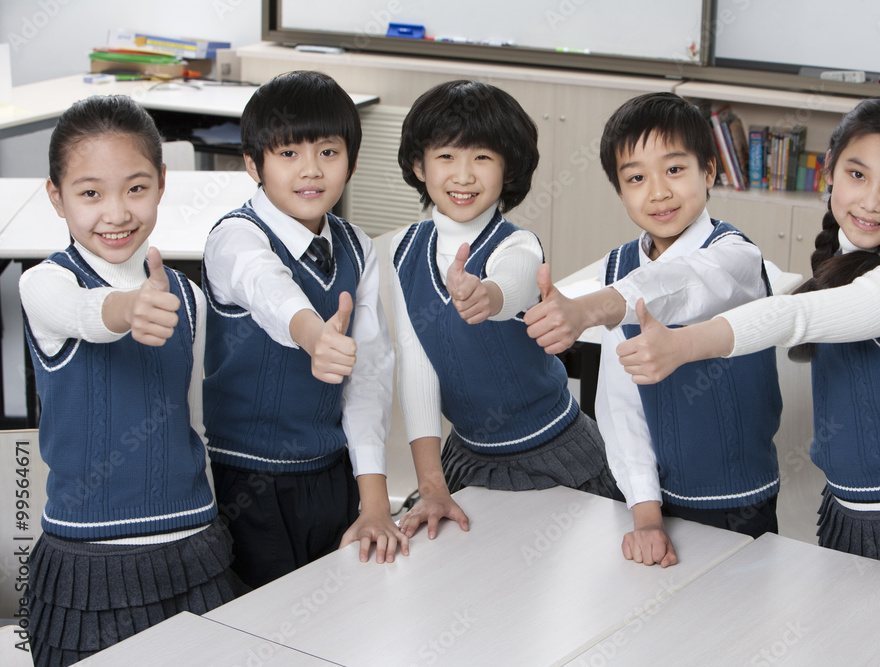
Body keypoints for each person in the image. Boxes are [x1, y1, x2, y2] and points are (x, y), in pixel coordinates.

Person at [616, 96, 880, 585]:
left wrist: (683, 344)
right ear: (830, 175)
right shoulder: (848, 259)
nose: (870, 201)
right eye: (857, 175)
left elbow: (797, 315)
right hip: (853, 510)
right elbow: (785, 289)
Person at [20, 95, 240, 665]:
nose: (115, 212)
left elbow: (195, 420)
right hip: (88, 565)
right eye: (90, 193)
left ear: (163, 184)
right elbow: (87, 315)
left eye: (135, 188)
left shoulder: (188, 300)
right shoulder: (44, 285)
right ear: (56, 195)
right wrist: (128, 310)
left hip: (195, 546)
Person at [534, 92, 782, 567]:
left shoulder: (737, 257)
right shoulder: (618, 268)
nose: (658, 192)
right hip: (649, 501)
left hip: (738, 500)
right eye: (636, 178)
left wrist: (592, 309)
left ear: (709, 171)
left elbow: (683, 282)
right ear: (620, 191)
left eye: (674, 170)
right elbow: (619, 403)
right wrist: (645, 513)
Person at [201, 70, 406, 589]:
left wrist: (375, 501)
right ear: (254, 164)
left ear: (352, 162)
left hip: (330, 472)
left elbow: (370, 377)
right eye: (288, 154)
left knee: (338, 608)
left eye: (328, 153)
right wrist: (315, 336)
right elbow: (267, 287)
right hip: (249, 480)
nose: (310, 170)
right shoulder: (235, 237)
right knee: (261, 623)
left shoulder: (356, 247)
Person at [391, 79, 621, 540]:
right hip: (468, 456)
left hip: (552, 451)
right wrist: (431, 484)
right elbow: (418, 370)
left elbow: (513, 283)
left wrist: (487, 296)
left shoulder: (517, 244)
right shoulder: (405, 250)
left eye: (482, 157)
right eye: (446, 157)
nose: (463, 176)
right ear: (419, 165)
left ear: (508, 169)